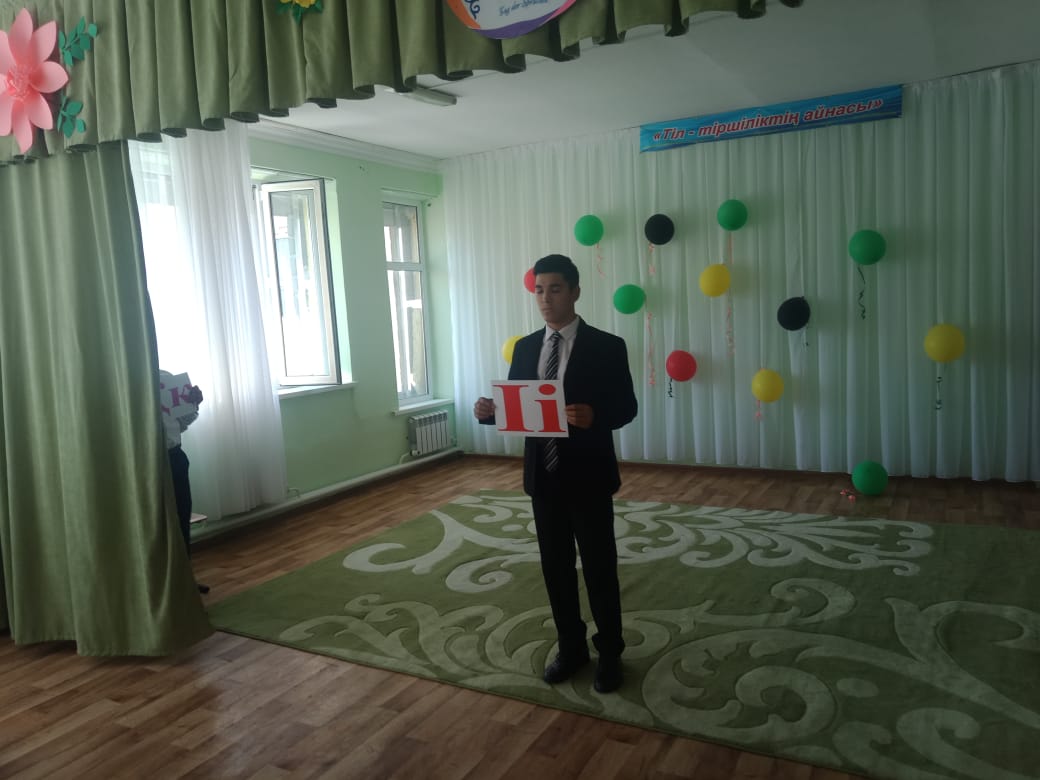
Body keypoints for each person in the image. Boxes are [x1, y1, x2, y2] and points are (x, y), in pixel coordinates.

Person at [473, 253, 638, 693]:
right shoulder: (527, 348)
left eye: (555, 289)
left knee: (599, 569)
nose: (546, 299)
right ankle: (571, 647)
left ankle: (610, 652)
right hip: (543, 479)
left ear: (575, 292)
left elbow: (627, 407)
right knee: (556, 569)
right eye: (539, 290)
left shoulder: (607, 346)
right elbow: (520, 410)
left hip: (588, 477)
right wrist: (490, 413)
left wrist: (596, 415)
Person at [159, 370, 208, 594]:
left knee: (181, 517)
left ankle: (184, 578)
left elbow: (181, 423)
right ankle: (159, 585)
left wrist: (193, 405)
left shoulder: (165, 378)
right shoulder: (122, 381)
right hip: (144, 461)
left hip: (174, 456)